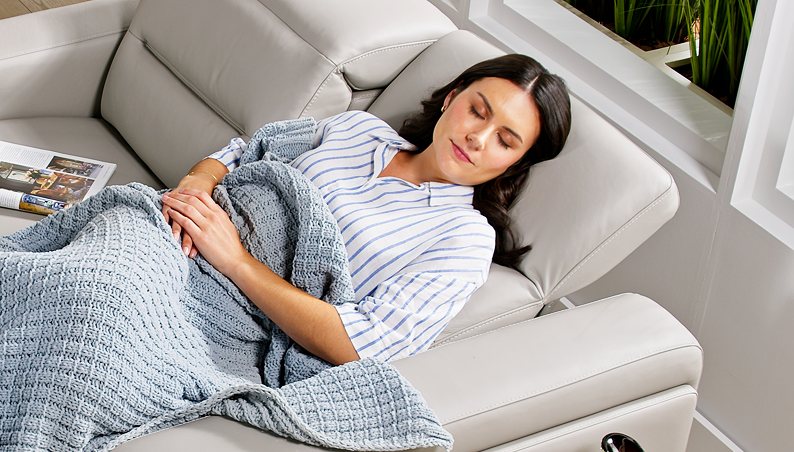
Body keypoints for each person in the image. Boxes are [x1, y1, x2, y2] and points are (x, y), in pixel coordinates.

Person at [161, 54, 571, 366]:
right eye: (477, 111)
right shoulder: (359, 129)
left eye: (505, 140)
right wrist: (198, 181)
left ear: (514, 163)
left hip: (230, 318)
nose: (478, 137)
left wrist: (235, 260)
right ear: (451, 97)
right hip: (175, 237)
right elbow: (249, 150)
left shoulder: (465, 239)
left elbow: (364, 344)